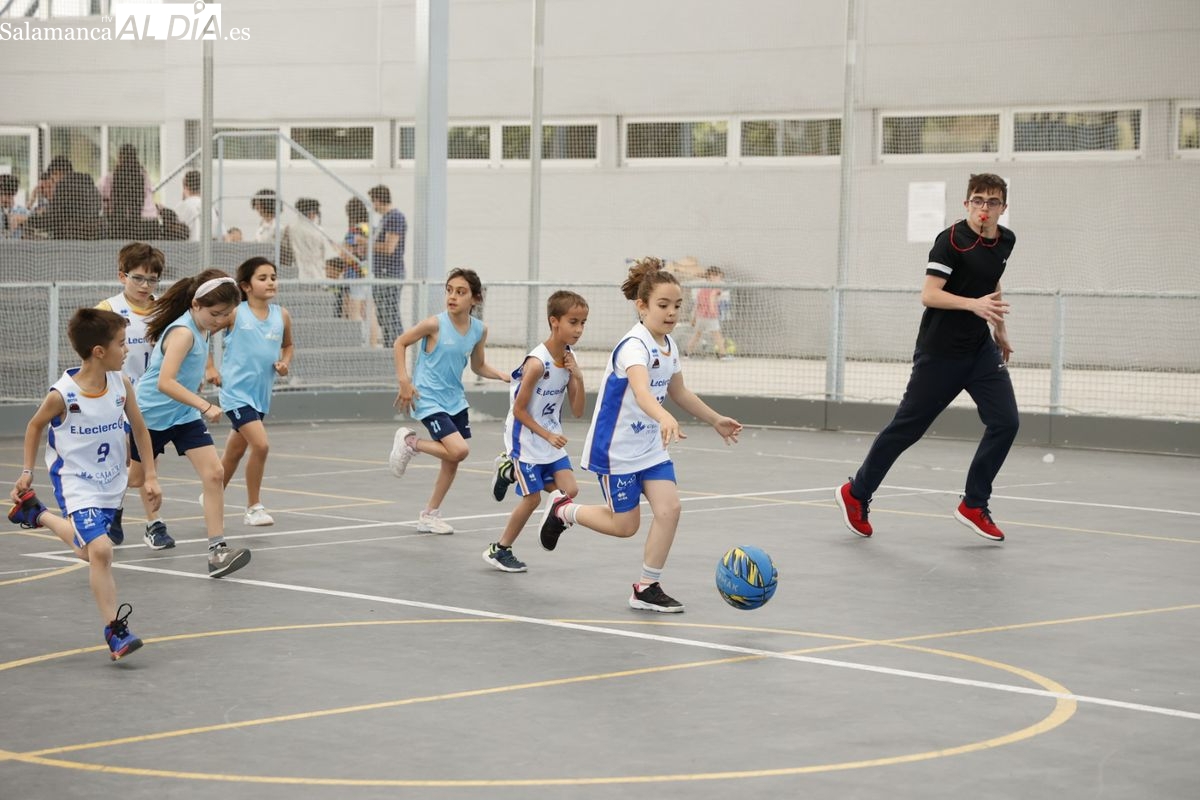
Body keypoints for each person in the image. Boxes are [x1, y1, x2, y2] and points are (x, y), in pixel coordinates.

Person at [537, 258, 743, 612]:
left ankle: (647, 586)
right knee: (625, 526)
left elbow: (678, 392)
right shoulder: (634, 346)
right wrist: (663, 416)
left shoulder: (669, 346)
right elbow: (643, 391)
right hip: (616, 449)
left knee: (670, 509)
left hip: (650, 447)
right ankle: (563, 511)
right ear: (642, 306)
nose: (671, 313)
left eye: (677, 306)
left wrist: (714, 419)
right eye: (663, 305)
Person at [835, 173, 1018, 543]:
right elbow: (930, 294)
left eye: (992, 202)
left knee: (1006, 422)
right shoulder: (950, 242)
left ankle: (974, 503)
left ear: (1003, 208)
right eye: (978, 200)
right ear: (967, 204)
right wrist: (972, 305)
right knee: (907, 429)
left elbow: (991, 281)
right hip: (941, 353)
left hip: (980, 351)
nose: (984, 208)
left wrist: (999, 330)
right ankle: (856, 493)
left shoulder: (1005, 241)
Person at [7, 307, 163, 660]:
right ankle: (115, 631)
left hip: (112, 482)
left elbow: (139, 428)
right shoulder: (63, 395)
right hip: (76, 482)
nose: (127, 351)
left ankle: (36, 512)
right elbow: (34, 426)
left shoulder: (122, 385)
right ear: (99, 351)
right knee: (103, 551)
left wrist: (150, 475)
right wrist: (28, 470)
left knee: (89, 551)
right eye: (122, 344)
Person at [129, 268, 252, 577]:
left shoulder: (203, 327)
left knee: (214, 474)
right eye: (216, 313)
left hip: (182, 415)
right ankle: (111, 512)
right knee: (134, 479)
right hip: (151, 416)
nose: (221, 320)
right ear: (196, 304)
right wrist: (204, 404)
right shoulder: (183, 332)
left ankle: (217, 552)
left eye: (226, 314)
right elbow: (165, 383)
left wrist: (199, 379)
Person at [388, 268, 510, 534]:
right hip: (428, 397)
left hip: (454, 400)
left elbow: (478, 366)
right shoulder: (435, 324)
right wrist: (404, 381)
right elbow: (399, 343)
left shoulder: (479, 330)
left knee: (451, 461)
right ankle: (411, 442)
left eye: (461, 292)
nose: (453, 296)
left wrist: (500, 374)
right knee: (459, 451)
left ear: (475, 299)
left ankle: (429, 514)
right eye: (450, 290)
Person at [485, 291, 589, 572]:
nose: (579, 329)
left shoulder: (569, 359)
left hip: (549, 436)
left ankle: (508, 471)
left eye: (583, 323)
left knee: (569, 491)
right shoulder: (536, 363)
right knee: (531, 499)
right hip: (525, 437)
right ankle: (499, 550)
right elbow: (519, 411)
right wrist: (546, 435)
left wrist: (578, 376)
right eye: (573, 322)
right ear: (554, 322)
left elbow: (578, 410)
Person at [205, 257, 294, 526]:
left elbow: (288, 346)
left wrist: (284, 363)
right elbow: (204, 332)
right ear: (245, 286)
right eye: (263, 278)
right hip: (235, 393)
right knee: (261, 445)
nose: (270, 282)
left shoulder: (282, 315)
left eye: (273, 277)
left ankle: (212, 493)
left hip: (261, 395)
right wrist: (209, 367)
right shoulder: (235, 313)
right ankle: (253, 507)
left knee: (233, 453)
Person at [94, 242, 166, 545]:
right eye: (138, 278)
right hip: (119, 397)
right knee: (126, 463)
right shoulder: (108, 310)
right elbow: (94, 355)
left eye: (152, 279)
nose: (145, 285)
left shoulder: (164, 309)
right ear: (122, 275)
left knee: (147, 464)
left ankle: (147, 521)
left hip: (154, 398)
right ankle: (145, 520)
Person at [367, 184, 407, 347]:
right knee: (383, 313)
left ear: (378, 200)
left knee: (390, 312)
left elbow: (389, 247)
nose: (372, 206)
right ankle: (390, 345)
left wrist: (366, 243)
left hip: (390, 273)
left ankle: (396, 348)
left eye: (372, 201)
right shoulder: (384, 219)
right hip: (381, 273)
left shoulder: (395, 217)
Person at [685, 265, 728, 358]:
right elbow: (712, 297)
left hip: (700, 316)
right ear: (712, 276)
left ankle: (687, 353)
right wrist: (712, 309)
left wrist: (694, 318)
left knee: (697, 335)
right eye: (719, 277)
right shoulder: (716, 287)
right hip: (710, 316)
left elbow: (697, 304)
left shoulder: (702, 288)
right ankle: (723, 355)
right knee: (717, 335)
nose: (720, 279)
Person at [287, 197, 330, 283]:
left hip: (297, 266)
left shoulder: (291, 227)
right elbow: (323, 250)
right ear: (312, 213)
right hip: (316, 267)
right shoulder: (318, 230)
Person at [175, 169, 221, 241]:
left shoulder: (181, 207)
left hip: (187, 249)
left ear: (185, 187)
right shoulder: (210, 208)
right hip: (208, 249)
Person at [0, 174, 29, 238]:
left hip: (16, 246)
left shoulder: (21, 211)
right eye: (1, 194)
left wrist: (23, 219)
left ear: (14, 193)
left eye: (6, 194)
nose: (3, 197)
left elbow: (36, 220)